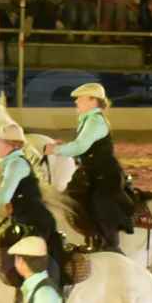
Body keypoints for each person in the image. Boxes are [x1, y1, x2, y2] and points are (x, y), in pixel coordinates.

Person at [45, 83, 135, 251]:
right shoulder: (90, 120)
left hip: (104, 175)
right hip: (93, 173)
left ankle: (111, 246)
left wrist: (55, 150)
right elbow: (83, 147)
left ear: (93, 100)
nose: (76, 102)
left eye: (80, 98)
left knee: (101, 205)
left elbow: (80, 147)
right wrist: (66, 146)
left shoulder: (94, 121)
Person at [0, 121, 66, 276]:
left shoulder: (16, 164)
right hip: (26, 219)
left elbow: (4, 196)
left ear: (10, 144)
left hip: (33, 222)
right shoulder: (12, 163)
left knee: (29, 265)